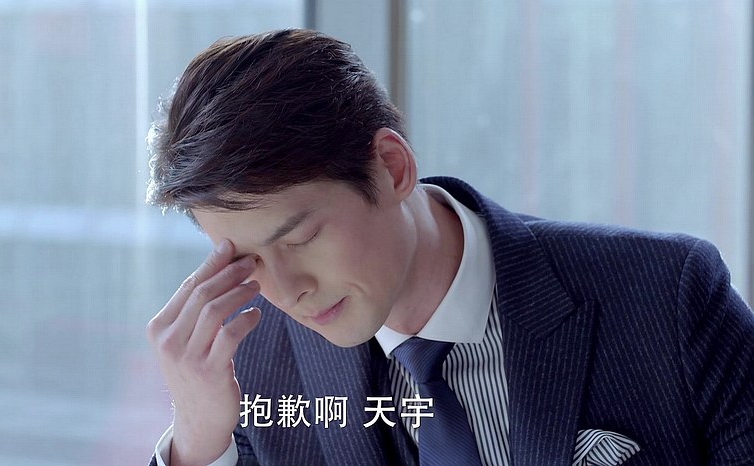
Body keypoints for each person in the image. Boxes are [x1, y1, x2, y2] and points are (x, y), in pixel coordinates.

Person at [143, 28, 754, 466]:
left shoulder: (666, 299)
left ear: (392, 167)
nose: (287, 291)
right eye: (246, 260)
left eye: (300, 237)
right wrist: (197, 441)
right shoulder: (251, 363)